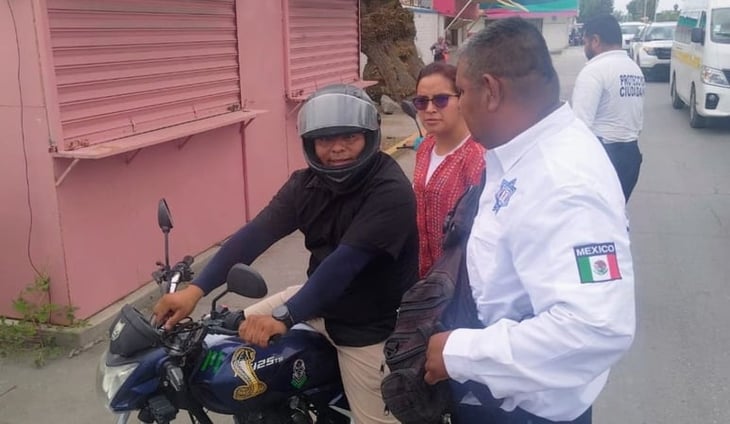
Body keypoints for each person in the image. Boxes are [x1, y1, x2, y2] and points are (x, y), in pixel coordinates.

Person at [153, 84, 419, 424]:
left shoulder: (390, 192)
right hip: (314, 303)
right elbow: (254, 235)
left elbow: (343, 265)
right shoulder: (305, 185)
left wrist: (285, 316)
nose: (337, 148)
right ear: (310, 143)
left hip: (370, 326)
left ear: (369, 136)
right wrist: (195, 290)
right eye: (325, 140)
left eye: (349, 137)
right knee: (217, 344)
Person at [422, 18, 636, 424]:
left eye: (462, 92)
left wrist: (459, 353)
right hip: (499, 393)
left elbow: (595, 328)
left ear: (492, 91)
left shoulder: (563, 181)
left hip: (529, 412)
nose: (459, 105)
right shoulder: (519, 153)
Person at [411, 61, 485, 278]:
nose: (430, 109)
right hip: (426, 277)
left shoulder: (477, 156)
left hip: (462, 279)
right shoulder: (425, 147)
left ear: (462, 98)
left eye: (441, 100)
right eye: (421, 102)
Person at [572, 14, 645, 202]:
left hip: (604, 156)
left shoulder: (594, 71)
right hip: (631, 157)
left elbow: (580, 126)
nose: (584, 47)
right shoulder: (634, 69)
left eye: (585, 41)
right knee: (617, 214)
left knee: (593, 218)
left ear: (595, 40)